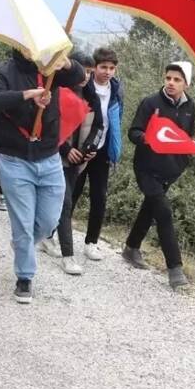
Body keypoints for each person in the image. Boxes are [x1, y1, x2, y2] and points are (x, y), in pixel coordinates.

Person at [0, 46, 85, 305]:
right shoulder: (5, 70)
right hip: (14, 159)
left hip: (49, 156)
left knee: (50, 219)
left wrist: (67, 65)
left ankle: (22, 244)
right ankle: (25, 277)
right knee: (23, 222)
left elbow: (80, 77)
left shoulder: (49, 69)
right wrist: (28, 95)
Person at [122, 61, 195, 290]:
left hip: (169, 170)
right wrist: (147, 138)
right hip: (146, 168)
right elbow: (133, 132)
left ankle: (131, 248)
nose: (171, 83)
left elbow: (187, 139)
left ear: (186, 84)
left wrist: (181, 164)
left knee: (150, 208)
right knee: (163, 211)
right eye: (168, 78)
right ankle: (175, 269)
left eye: (177, 80)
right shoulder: (150, 102)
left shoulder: (189, 107)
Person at [45, 51, 102, 276]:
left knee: (61, 203)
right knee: (66, 202)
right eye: (83, 71)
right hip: (55, 155)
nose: (86, 76)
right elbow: (48, 126)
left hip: (77, 160)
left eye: (90, 72)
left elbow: (99, 126)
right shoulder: (57, 90)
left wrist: (89, 149)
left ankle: (46, 237)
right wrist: (66, 149)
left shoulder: (91, 96)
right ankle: (68, 256)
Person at [68, 47, 123, 262]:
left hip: (102, 149)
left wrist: (114, 149)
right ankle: (53, 234)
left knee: (99, 197)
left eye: (111, 68)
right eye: (103, 67)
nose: (107, 72)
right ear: (95, 67)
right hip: (81, 146)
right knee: (73, 192)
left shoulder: (117, 89)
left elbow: (115, 120)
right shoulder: (84, 85)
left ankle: (92, 242)